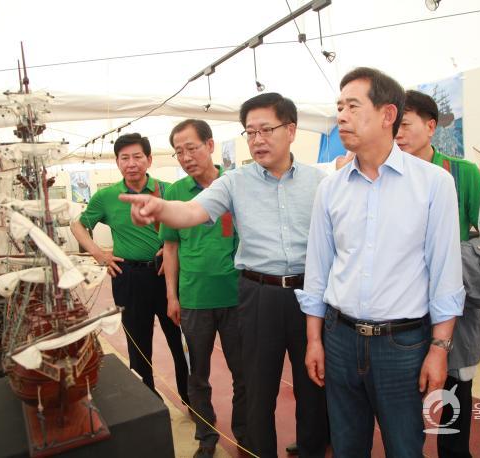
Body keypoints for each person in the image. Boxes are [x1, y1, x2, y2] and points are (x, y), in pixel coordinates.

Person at [120, 93, 329, 458]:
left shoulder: (320, 182)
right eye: (250, 132)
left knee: (312, 386)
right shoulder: (236, 183)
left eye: (266, 129)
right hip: (256, 294)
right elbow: (190, 212)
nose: (258, 139)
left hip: (308, 295)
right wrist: (160, 208)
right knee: (258, 388)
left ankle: (311, 448)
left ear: (291, 130)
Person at [296, 67, 465, 457]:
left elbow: (444, 274)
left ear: (388, 115)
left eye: (353, 106)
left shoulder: (434, 184)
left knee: (405, 447)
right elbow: (319, 270)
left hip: (403, 345)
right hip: (339, 339)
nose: (341, 116)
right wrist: (314, 340)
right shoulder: (330, 189)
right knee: (347, 445)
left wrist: (439, 349)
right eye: (339, 107)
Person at [396, 89, 480, 458]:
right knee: (407, 394)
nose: (397, 134)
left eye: (404, 125)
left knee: (453, 392)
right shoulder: (388, 173)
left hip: (454, 306)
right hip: (405, 307)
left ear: (431, 126)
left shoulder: (462, 174)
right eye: (393, 126)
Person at [70, 133, 189, 404]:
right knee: (138, 343)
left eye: (137, 157)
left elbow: (186, 228)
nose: (131, 163)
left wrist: (173, 248)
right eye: (125, 158)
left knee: (179, 341)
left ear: (148, 159)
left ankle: (189, 396)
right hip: (128, 278)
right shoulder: (107, 197)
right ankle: (147, 399)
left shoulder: (167, 190)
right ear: (117, 162)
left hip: (166, 274)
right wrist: (99, 254)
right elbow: (78, 225)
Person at [159, 119, 246, 458]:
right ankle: (206, 438)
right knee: (198, 374)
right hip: (194, 299)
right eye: (179, 151)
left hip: (236, 297)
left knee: (244, 374)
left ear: (210, 146)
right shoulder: (175, 193)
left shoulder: (236, 184)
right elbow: (170, 247)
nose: (185, 157)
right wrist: (171, 295)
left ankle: (244, 432)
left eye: (191, 148)